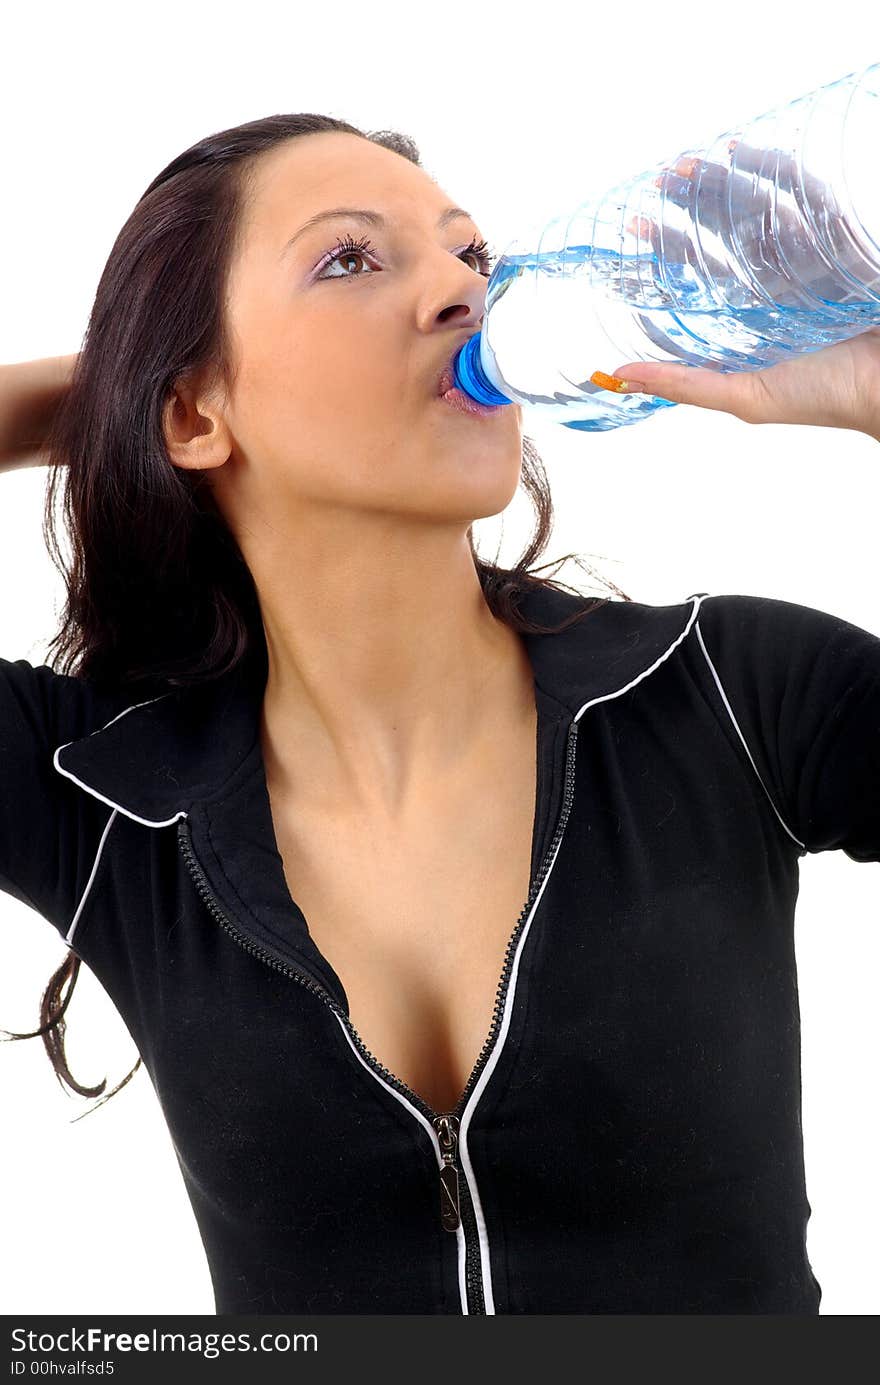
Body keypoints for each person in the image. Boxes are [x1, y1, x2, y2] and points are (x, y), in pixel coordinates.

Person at [1, 113, 879, 1316]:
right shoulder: (103, 795)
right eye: (351, 259)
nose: (463, 295)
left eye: (472, 257)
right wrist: (105, 400)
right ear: (196, 415)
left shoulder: (729, 689)